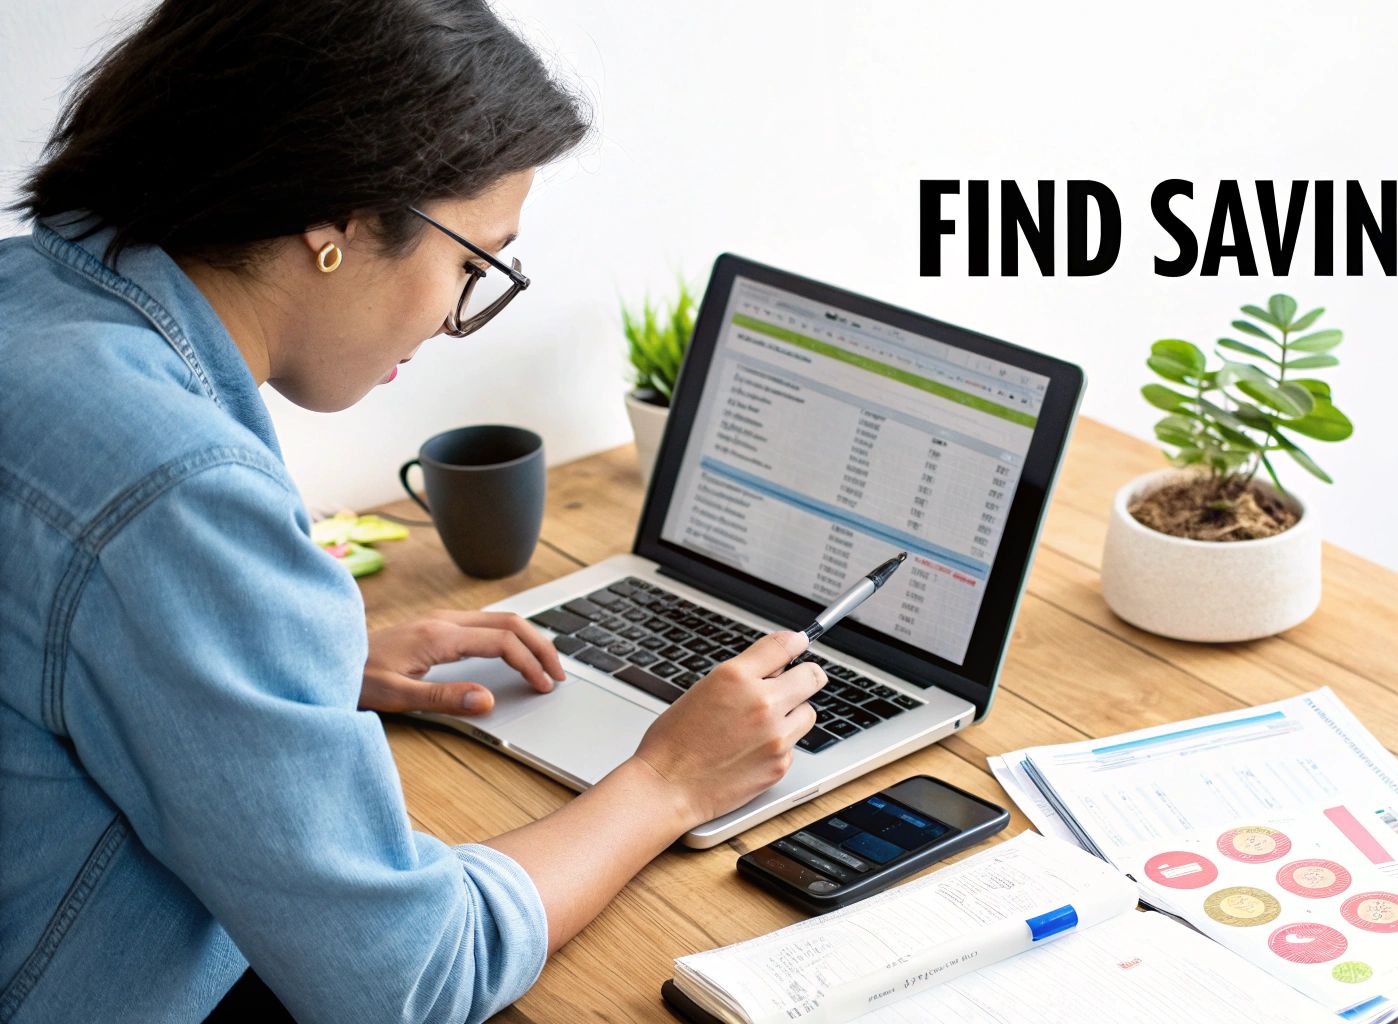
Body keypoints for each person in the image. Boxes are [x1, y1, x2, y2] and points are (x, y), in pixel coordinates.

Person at [0, 2, 827, 1021]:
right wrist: (666, 780)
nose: (452, 316)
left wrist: (284, 676)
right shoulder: (180, 489)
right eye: (472, 264)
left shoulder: (25, 303)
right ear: (334, 216)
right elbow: (405, 979)